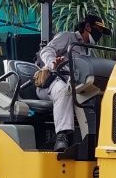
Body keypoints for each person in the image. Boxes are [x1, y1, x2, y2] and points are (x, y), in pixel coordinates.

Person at [37, 12, 108, 153]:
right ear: (87, 26)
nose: (99, 34)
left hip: (74, 84)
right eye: (98, 30)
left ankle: (95, 138)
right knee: (64, 90)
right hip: (52, 82)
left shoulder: (89, 50)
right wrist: (53, 63)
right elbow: (46, 50)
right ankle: (62, 136)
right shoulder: (68, 37)